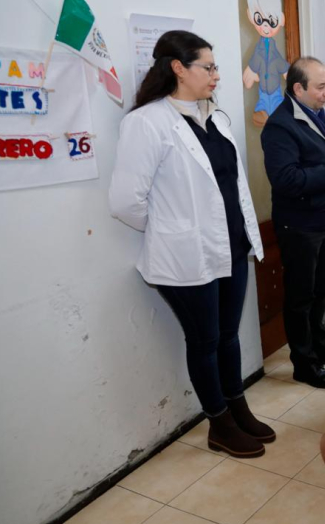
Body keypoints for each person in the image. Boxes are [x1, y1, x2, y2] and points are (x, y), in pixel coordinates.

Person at [109, 31, 272, 458]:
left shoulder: (215, 117)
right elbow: (125, 202)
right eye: (209, 67)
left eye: (217, 67)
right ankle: (219, 424)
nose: (217, 75)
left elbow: (232, 186)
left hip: (232, 248)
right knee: (205, 341)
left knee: (229, 336)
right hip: (187, 256)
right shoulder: (147, 122)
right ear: (179, 69)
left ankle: (238, 406)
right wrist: (174, 229)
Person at [262, 56, 325, 391]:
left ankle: (321, 346)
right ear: (298, 88)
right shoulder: (280, 126)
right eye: (320, 86)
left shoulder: (319, 115)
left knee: (319, 292)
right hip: (298, 226)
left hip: (324, 219)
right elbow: (286, 180)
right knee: (301, 297)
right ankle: (304, 363)